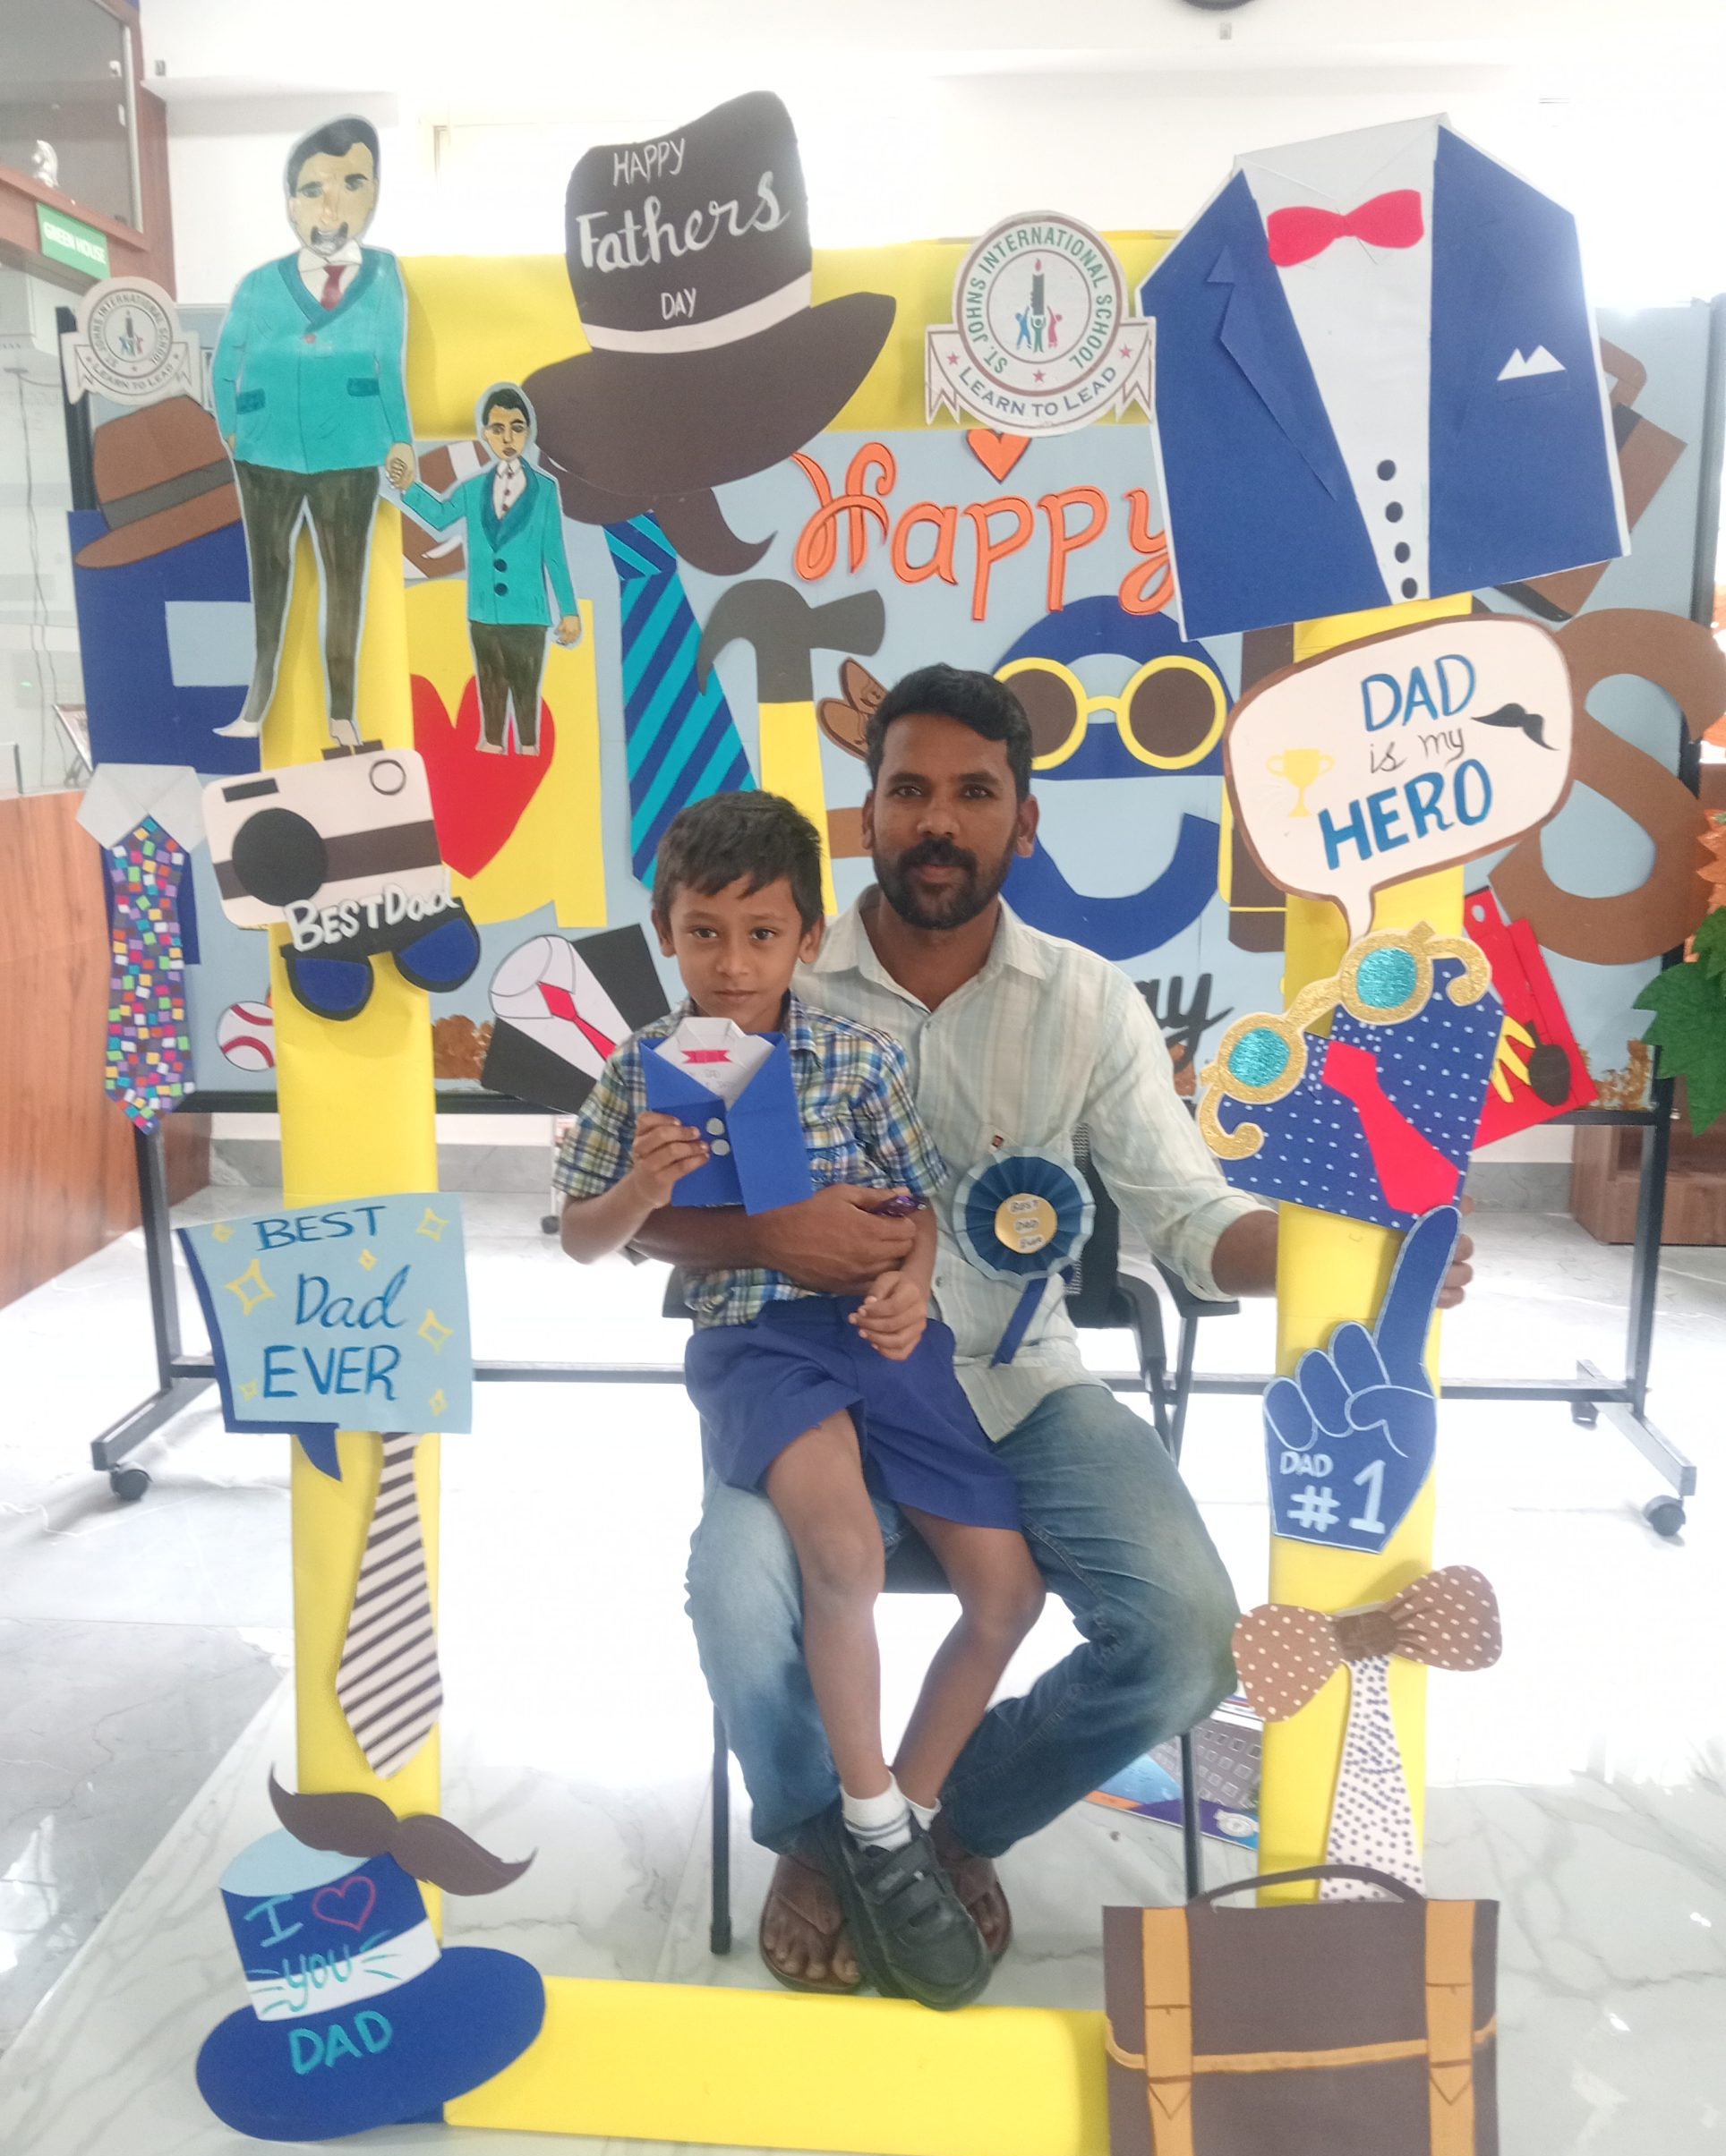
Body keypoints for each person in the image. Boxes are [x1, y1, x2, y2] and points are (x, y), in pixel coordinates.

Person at [633, 664, 1474, 1993]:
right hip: (815, 1391)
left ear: (1022, 823)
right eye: (909, 789)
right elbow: (650, 1210)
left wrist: (1345, 1247)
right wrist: (765, 1241)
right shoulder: (769, 969)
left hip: (1021, 1386)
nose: (938, 820)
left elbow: (1188, 1217)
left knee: (1188, 1637)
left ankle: (943, 1825)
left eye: (975, 793)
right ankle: (818, 1840)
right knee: (733, 1596)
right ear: (867, 812)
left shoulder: (1087, 1001)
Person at [556, 791, 1047, 2010]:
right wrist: (642, 1190)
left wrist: (913, 1285)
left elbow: (917, 1208)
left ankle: (896, 1823)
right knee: (842, 1556)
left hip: (883, 1339)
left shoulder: (857, 1059)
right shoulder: (638, 1073)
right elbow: (581, 1236)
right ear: (666, 932)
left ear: (808, 939)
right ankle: (868, 1823)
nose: (732, 963)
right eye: (704, 932)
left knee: (1006, 1590)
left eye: (762, 933)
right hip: (758, 1343)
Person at [211, 116, 414, 746]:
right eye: (312, 189)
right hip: (264, 451)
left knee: (344, 584)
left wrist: (400, 439)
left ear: (374, 194)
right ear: (291, 202)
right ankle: (257, 701)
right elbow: (224, 364)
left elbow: (389, 364)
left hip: (349, 450)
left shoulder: (384, 276)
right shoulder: (257, 284)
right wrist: (231, 429)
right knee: (267, 578)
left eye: (351, 183)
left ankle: (342, 710)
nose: (330, 206)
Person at [397, 385, 582, 755]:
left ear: (528, 432)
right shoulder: (474, 488)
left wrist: (569, 611)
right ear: (486, 434)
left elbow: (554, 553)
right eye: (498, 429)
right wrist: (408, 488)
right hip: (484, 612)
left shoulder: (545, 490)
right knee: (491, 690)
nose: (508, 438)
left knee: (526, 692)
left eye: (517, 428)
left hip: (528, 613)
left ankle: (528, 748)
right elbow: (440, 517)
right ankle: (492, 745)